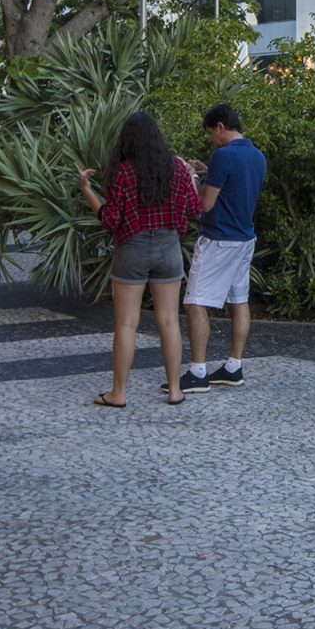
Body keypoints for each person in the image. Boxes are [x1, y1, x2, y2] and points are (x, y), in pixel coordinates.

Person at [77, 112, 198, 408]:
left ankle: (118, 393)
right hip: (169, 248)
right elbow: (195, 208)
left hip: (132, 248)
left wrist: (87, 190)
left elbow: (111, 219)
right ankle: (174, 390)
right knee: (169, 321)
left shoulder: (123, 172)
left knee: (127, 324)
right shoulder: (178, 169)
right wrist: (193, 178)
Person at [176, 102, 266, 395]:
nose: (211, 140)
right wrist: (206, 171)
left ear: (220, 127)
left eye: (211, 134)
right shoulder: (257, 156)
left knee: (194, 302)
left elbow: (204, 205)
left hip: (219, 239)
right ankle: (233, 367)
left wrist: (191, 177)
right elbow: (232, 187)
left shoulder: (222, 156)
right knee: (239, 300)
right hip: (244, 238)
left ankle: (197, 372)